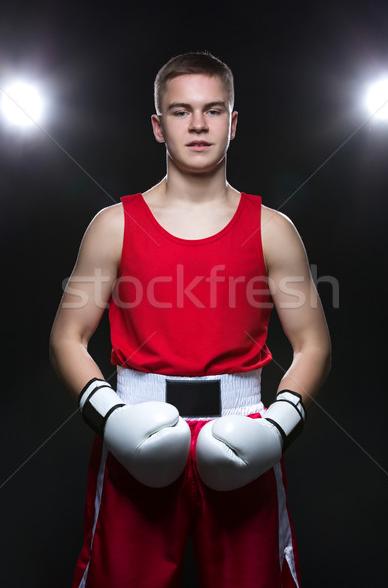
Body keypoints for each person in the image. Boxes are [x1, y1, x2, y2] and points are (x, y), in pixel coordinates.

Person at [50, 52, 331, 588]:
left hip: (244, 431)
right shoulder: (113, 226)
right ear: (158, 126)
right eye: (181, 111)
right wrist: (108, 415)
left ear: (233, 122)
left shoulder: (273, 229)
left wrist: (279, 425)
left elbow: (314, 344)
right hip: (135, 426)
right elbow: (67, 335)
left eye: (213, 110)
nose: (198, 125)